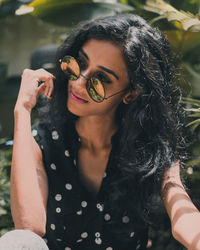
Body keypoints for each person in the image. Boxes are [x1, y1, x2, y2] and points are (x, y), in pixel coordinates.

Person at [6, 13, 200, 250]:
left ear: (130, 94)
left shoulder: (149, 147)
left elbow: (184, 214)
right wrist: (22, 110)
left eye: (101, 79)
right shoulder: (44, 141)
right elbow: (29, 230)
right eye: (80, 63)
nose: (79, 82)